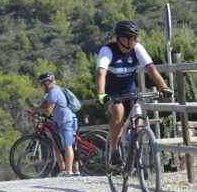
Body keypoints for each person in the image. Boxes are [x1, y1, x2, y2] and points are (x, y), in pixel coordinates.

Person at [96, 20, 173, 166]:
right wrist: (101, 94)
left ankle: (131, 144)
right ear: (121, 38)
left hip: (129, 91)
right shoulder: (107, 50)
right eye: (132, 37)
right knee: (118, 111)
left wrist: (164, 87)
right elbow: (101, 73)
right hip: (111, 92)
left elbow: (151, 69)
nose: (135, 40)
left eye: (135, 37)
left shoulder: (136, 48)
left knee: (139, 119)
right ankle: (115, 151)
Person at [28, 72, 79, 177]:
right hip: (63, 121)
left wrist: (37, 109)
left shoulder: (54, 91)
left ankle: (69, 171)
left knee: (68, 146)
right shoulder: (50, 93)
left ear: (47, 83)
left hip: (66, 121)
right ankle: (73, 171)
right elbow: (42, 107)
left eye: (42, 84)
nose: (41, 87)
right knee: (64, 146)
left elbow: (48, 111)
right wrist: (35, 111)